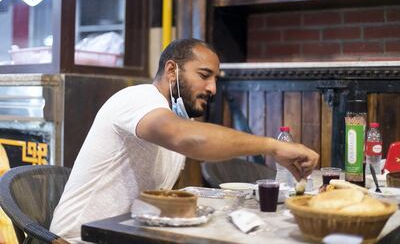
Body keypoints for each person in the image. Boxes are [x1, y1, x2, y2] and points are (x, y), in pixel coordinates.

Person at [50, 38, 319, 243]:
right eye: (204, 76)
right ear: (172, 71)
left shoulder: (178, 120)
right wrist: (274, 146)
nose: (212, 89)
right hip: (78, 239)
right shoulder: (138, 98)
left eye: (215, 79)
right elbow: (191, 140)